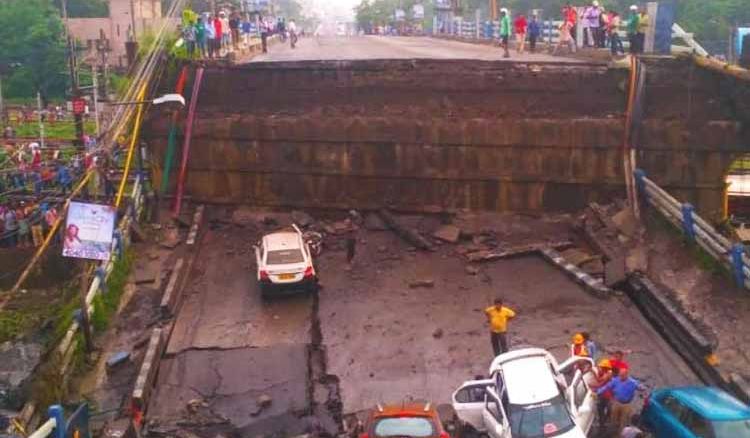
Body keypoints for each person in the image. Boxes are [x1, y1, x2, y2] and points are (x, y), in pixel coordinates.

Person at [596, 368, 645, 433]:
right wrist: (599, 392)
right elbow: (607, 387)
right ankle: (612, 432)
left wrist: (642, 388)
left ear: (626, 375)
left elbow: (640, 387)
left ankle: (621, 433)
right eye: (620, 375)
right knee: (613, 418)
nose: (620, 377)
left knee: (624, 421)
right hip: (616, 402)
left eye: (622, 375)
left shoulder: (633, 383)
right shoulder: (616, 380)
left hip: (626, 404)